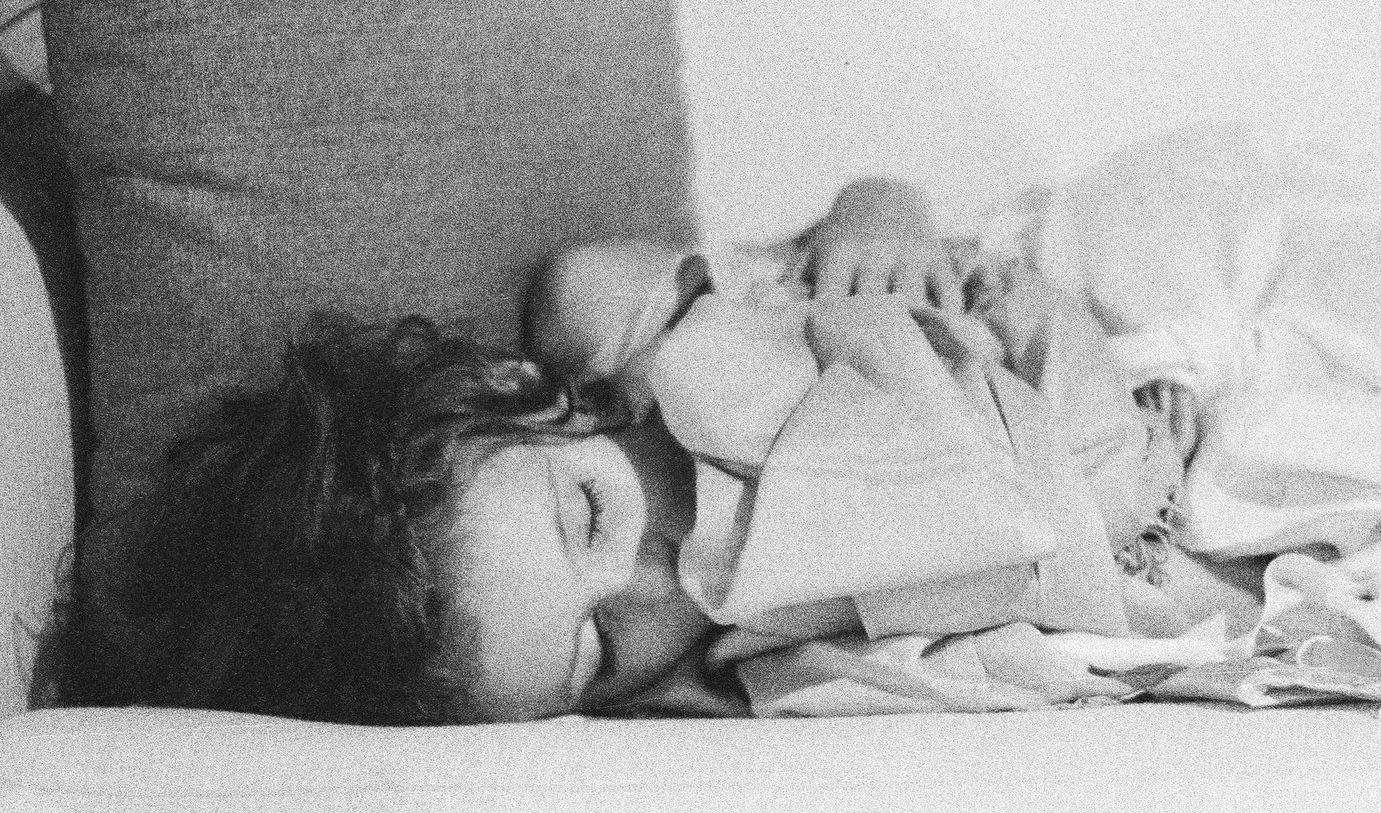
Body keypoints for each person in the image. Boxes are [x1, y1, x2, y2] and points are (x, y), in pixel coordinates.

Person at [34, 174, 1241, 724]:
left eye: (589, 516)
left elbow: (845, 236)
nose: (658, 581)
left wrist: (879, 213)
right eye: (598, 647)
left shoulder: (621, 334)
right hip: (1149, 480)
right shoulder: (747, 650)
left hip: (1067, 306)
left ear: (524, 401)